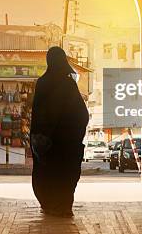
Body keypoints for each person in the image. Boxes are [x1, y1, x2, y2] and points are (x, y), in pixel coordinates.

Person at [31, 46, 89, 218]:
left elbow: (38, 113)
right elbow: (81, 114)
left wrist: (40, 134)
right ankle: (63, 206)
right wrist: (74, 133)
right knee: (66, 173)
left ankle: (49, 204)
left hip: (47, 142)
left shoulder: (43, 83)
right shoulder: (68, 84)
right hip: (67, 143)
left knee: (47, 172)